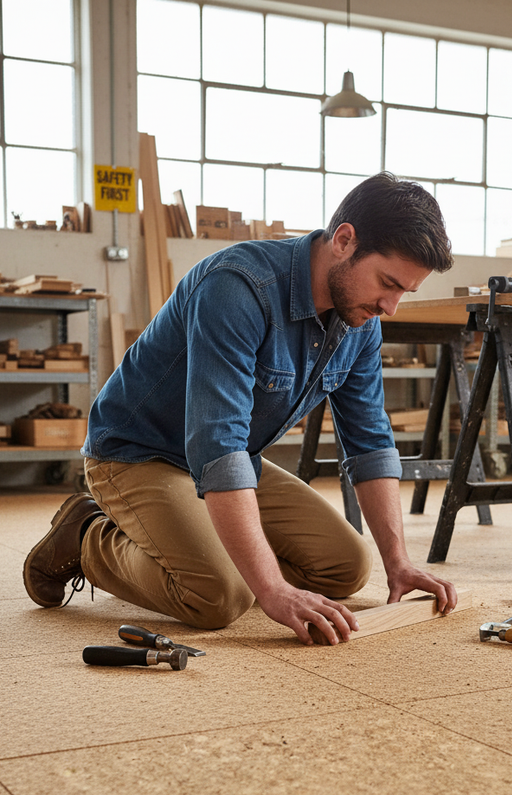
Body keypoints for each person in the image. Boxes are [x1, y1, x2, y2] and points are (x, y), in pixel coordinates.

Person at [23, 172, 458, 646]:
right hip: (137, 454)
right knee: (219, 596)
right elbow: (218, 443)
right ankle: (87, 537)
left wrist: (399, 563)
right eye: (388, 283)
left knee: (346, 567)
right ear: (344, 240)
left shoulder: (360, 320)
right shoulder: (237, 286)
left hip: (228, 461)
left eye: (404, 292)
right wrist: (271, 589)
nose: (391, 307)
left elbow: (369, 441)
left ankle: (209, 550)